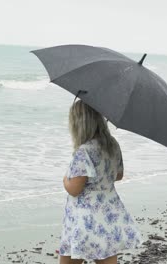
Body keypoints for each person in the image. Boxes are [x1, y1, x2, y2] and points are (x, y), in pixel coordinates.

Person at [59, 100, 143, 264]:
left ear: (80, 124)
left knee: (70, 258)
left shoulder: (84, 151)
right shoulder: (112, 144)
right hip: (109, 211)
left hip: (84, 217)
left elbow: (75, 189)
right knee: (106, 256)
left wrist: (65, 180)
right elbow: (118, 175)